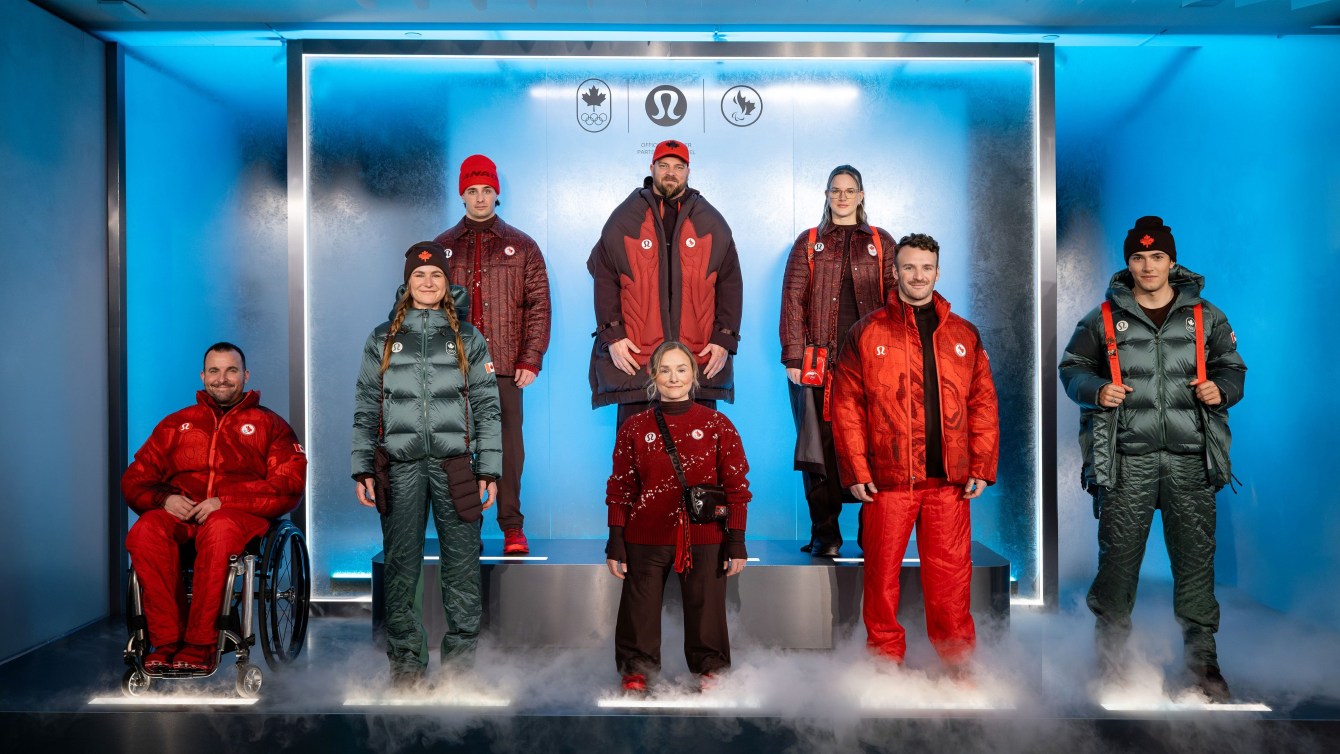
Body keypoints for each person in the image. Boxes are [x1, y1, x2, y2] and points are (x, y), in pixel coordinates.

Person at [1059, 215, 1246, 702]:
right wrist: (1096, 390)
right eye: (1138, 257)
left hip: (1189, 459)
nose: (1148, 266)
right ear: (1128, 262)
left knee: (1195, 568)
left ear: (1172, 260)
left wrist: (1219, 389)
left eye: (1157, 256)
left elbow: (1233, 368)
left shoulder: (1206, 317)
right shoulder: (1103, 318)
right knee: (1117, 567)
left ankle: (1203, 665)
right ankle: (1111, 663)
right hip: (1127, 460)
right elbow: (1072, 367)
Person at [831, 233, 999, 674]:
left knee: (951, 581)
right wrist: (855, 468)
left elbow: (982, 401)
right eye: (909, 267)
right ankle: (884, 664)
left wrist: (981, 464)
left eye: (926, 267)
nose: (918, 275)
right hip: (888, 482)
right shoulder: (867, 332)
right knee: (881, 580)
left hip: (949, 484)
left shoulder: (963, 334)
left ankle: (958, 664)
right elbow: (845, 404)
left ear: (938, 272)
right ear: (896, 272)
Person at [351, 241, 503, 688]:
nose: (428, 282)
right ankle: (407, 671)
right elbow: (365, 404)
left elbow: (487, 405)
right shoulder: (381, 337)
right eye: (420, 276)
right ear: (407, 283)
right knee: (401, 570)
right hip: (398, 467)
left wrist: (489, 469)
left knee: (461, 568)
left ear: (446, 281)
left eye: (436, 275)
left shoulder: (468, 337)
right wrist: (362, 465)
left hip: (456, 466)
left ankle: (459, 673)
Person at [122, 342, 307, 673]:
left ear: (246, 375)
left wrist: (226, 500)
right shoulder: (175, 425)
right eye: (215, 371)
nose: (223, 378)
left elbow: (288, 487)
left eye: (232, 370)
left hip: (238, 517)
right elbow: (134, 481)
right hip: (184, 515)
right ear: (203, 376)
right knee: (145, 530)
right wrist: (165, 500)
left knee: (219, 529)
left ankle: (200, 643)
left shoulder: (272, 426)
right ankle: (165, 643)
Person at [604, 341, 751, 694]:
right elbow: (621, 487)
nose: (674, 377)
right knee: (639, 611)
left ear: (694, 375)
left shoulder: (718, 424)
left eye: (681, 369)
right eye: (665, 370)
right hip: (645, 535)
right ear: (653, 375)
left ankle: (711, 672)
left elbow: (736, 486)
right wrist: (615, 540)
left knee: (707, 610)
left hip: (704, 536)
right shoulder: (635, 427)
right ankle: (636, 672)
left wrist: (737, 541)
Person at [433, 154, 551, 555]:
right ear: (462, 194)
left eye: (486, 190)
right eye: (472, 190)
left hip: (503, 367)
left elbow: (538, 304)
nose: (480, 197)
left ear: (496, 193)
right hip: (454, 367)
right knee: (458, 447)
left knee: (508, 449)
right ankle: (469, 528)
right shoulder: (442, 248)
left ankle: (512, 527)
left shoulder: (522, 246)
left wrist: (530, 358)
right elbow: (425, 306)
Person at [779, 164, 897, 558]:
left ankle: (873, 538)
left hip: (871, 366)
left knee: (875, 450)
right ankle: (824, 536)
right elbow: (793, 301)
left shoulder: (882, 243)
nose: (843, 197)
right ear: (826, 195)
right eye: (836, 190)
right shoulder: (808, 242)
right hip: (816, 363)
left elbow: (898, 300)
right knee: (818, 450)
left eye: (850, 190)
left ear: (861, 196)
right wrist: (793, 356)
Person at [588, 139, 743, 428]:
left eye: (678, 166)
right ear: (652, 168)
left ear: (688, 171)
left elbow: (730, 283)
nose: (671, 172)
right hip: (638, 360)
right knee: (635, 455)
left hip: (696, 361)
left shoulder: (710, 221)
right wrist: (612, 336)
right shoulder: (625, 218)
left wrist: (725, 339)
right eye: (664, 166)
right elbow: (603, 276)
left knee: (698, 457)